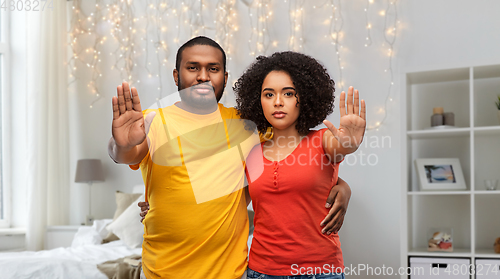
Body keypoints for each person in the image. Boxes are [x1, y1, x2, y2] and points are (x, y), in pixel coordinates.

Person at [109, 36, 352, 279]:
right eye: (192, 67)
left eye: (213, 69)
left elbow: (295, 152)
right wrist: (121, 144)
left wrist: (340, 185)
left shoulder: (248, 124)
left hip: (230, 273)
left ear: (224, 78)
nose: (203, 76)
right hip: (162, 272)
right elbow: (125, 153)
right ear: (176, 75)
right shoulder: (152, 121)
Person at [234, 51, 366, 278]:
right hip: (261, 271)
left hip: (320, 271)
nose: (278, 102)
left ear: (304, 97)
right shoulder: (252, 152)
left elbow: (340, 147)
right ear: (258, 101)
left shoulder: (322, 140)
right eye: (268, 94)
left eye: (288, 93)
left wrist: (350, 144)